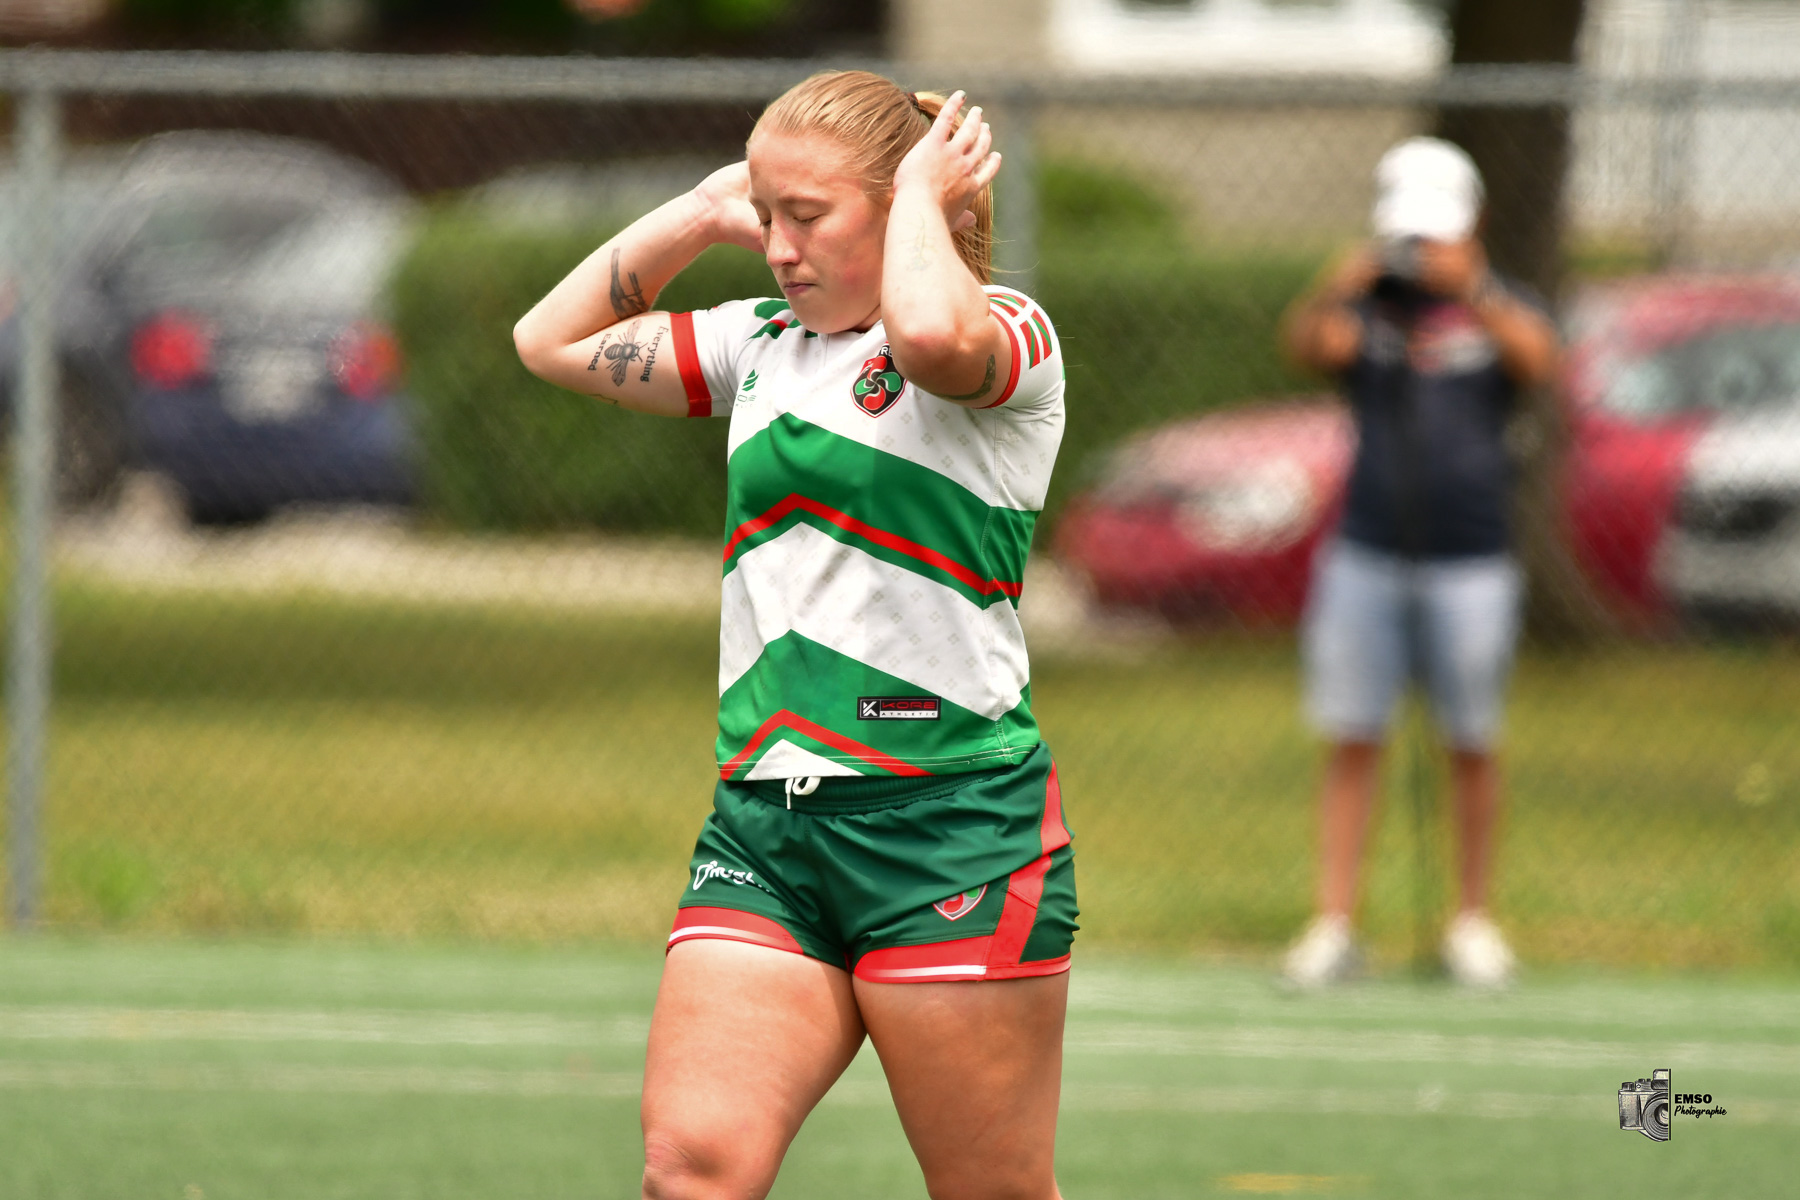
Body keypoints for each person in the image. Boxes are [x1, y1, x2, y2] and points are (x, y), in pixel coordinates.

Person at [513, 71, 1074, 1198]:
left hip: (949, 828)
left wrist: (927, 197)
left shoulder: (1006, 339)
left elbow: (925, 333)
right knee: (692, 1169)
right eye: (768, 219)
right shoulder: (758, 346)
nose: (777, 247)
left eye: (806, 217)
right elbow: (548, 338)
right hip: (766, 830)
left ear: (918, 202)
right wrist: (707, 208)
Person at [1278, 137, 1559, 990]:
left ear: (1467, 227)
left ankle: (1471, 922)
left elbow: (1541, 361)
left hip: (1472, 556)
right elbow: (1306, 346)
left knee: (1472, 737)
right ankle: (1334, 923)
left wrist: (1470, 288)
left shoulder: (1500, 306)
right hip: (1368, 550)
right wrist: (1342, 281)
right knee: (1353, 735)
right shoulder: (1369, 310)